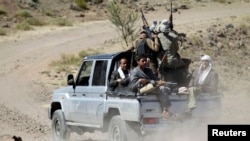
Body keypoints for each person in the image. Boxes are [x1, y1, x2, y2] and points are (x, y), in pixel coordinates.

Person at [130, 54, 172, 119]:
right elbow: (132, 87)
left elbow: (155, 79)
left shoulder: (148, 70)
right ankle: (165, 110)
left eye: (146, 61)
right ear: (138, 62)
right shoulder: (135, 72)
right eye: (142, 61)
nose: (145, 62)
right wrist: (139, 81)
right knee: (162, 89)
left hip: (153, 87)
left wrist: (161, 81)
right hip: (143, 90)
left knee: (167, 88)